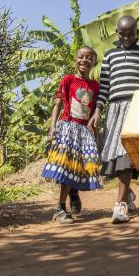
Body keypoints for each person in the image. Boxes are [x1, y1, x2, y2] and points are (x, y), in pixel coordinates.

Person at [88, 16, 139, 224]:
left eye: (131, 34)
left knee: (126, 154)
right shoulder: (109, 56)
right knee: (117, 156)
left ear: (137, 32)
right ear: (117, 32)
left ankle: (120, 205)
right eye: (122, 34)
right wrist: (98, 111)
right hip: (114, 109)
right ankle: (128, 194)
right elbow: (105, 88)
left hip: (136, 108)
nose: (127, 37)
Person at [42, 46, 100, 223]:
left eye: (89, 57)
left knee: (80, 167)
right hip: (67, 127)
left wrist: (97, 136)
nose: (84, 60)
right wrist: (52, 128)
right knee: (67, 167)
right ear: (75, 61)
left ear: (94, 62)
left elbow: (94, 114)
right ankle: (59, 209)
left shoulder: (95, 86)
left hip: (84, 131)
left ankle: (73, 192)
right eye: (81, 57)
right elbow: (58, 105)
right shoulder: (67, 80)